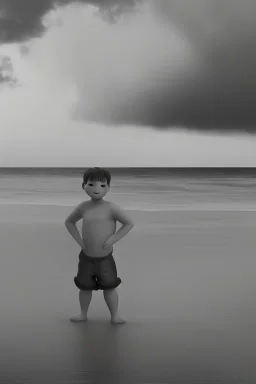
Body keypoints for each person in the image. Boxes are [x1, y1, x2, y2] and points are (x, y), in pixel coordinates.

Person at [65, 167, 134, 324]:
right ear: (84, 186)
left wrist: (113, 239)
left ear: (108, 188)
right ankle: (83, 313)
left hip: (105, 258)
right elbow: (69, 222)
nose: (97, 189)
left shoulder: (111, 208)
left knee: (109, 287)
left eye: (102, 185)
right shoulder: (83, 207)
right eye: (92, 184)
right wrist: (80, 241)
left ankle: (115, 315)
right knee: (84, 287)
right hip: (86, 257)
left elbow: (129, 223)